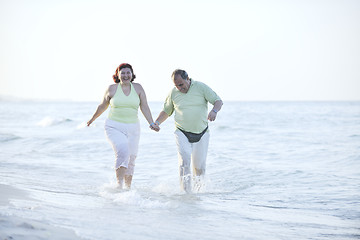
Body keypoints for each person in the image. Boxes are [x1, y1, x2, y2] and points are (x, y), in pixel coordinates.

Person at [87, 63, 159, 189]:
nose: (126, 75)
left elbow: (144, 107)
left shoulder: (138, 88)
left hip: (133, 128)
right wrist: (93, 119)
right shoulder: (112, 88)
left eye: (128, 73)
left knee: (131, 157)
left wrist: (151, 123)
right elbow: (103, 106)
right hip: (114, 126)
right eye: (123, 73)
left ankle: (127, 189)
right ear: (118, 75)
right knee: (123, 151)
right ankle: (119, 186)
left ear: (132, 74)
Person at [153, 69, 223, 192]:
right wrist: (157, 122)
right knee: (184, 161)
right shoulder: (173, 93)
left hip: (202, 133)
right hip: (182, 132)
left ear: (188, 79)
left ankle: (199, 193)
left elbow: (218, 101)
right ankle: (185, 194)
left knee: (199, 167)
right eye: (176, 85)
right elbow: (166, 111)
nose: (179, 88)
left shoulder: (201, 87)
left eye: (181, 84)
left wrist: (214, 111)